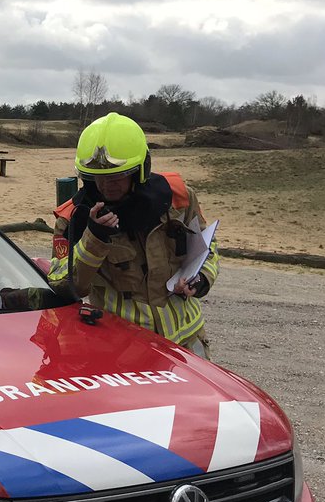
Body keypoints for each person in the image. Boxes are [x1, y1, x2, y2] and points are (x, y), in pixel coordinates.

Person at [47, 112, 219, 358]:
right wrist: (94, 238)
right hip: (123, 350)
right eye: (98, 178)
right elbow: (64, 286)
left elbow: (208, 246)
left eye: (117, 176)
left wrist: (201, 278)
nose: (107, 186)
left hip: (187, 343)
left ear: (141, 169)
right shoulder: (73, 219)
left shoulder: (178, 197)